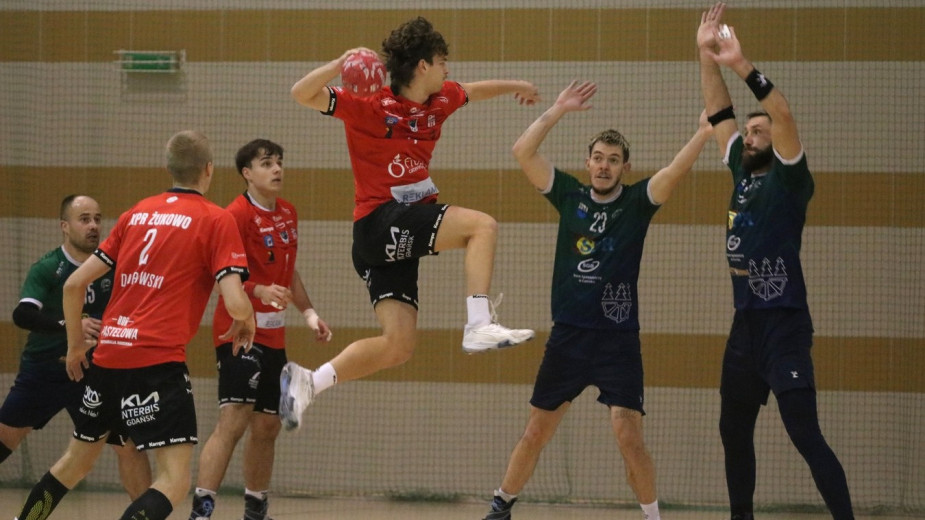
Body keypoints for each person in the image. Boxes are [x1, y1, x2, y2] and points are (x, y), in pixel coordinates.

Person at [279, 16, 539, 430]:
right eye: (442, 61)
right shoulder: (368, 104)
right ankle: (478, 324)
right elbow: (301, 93)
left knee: (398, 346)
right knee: (482, 227)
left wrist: (517, 86)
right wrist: (340, 63)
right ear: (423, 65)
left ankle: (309, 382)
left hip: (390, 237)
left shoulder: (441, 99)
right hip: (380, 221)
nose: (448, 69)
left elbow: (474, 90)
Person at [480, 81, 713, 520]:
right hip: (568, 338)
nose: (604, 166)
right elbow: (522, 152)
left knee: (629, 437)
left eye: (613, 160)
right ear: (588, 163)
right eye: (599, 158)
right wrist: (558, 109)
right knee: (535, 432)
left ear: (626, 167)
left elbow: (674, 171)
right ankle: (501, 506)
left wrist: (703, 133)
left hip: (617, 341)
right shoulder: (569, 196)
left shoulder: (638, 202)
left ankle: (653, 517)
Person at [14, 130, 255, 520]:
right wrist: (247, 316)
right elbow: (234, 301)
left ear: (169, 168)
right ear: (208, 170)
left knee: (75, 462)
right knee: (174, 480)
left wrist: (75, 346)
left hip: (108, 357)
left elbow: (74, 285)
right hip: (157, 362)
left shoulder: (136, 213)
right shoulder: (216, 219)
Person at [697, 4, 854, 519]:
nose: (750, 135)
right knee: (732, 430)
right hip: (745, 326)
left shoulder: (790, 179)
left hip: (784, 323)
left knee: (805, 433)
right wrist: (706, 56)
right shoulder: (741, 173)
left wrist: (740, 65)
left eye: (758, 131)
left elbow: (782, 115)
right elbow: (719, 112)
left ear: (776, 142)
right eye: (749, 131)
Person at [189, 139, 333, 520]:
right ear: (247, 173)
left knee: (268, 425)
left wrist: (309, 313)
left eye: (279, 162)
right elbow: (219, 275)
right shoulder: (233, 215)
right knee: (234, 420)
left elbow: (289, 272)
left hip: (275, 335)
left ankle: (255, 511)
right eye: (267, 163)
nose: (277, 169)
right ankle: (201, 512)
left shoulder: (288, 213)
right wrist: (258, 290)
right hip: (240, 332)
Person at [0, 194, 152, 500]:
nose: (93, 226)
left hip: (94, 375)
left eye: (97, 219)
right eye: (84, 219)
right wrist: (71, 326)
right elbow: (22, 315)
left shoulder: (113, 267)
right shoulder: (49, 268)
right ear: (64, 226)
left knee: (128, 445)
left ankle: (145, 514)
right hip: (45, 371)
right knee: (6, 437)